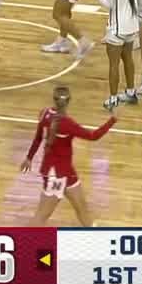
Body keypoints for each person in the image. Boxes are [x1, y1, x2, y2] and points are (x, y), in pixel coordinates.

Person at [22, 85, 116, 225]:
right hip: (56, 175)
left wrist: (29, 158)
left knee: (81, 207)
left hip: (66, 171)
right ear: (69, 101)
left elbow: (38, 138)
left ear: (54, 99)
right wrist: (112, 120)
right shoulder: (67, 124)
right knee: (41, 216)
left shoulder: (44, 113)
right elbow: (93, 136)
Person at [94, 0, 140, 108]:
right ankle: (130, 92)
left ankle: (113, 99)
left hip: (117, 28)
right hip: (132, 25)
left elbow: (109, 5)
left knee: (113, 64)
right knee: (128, 59)